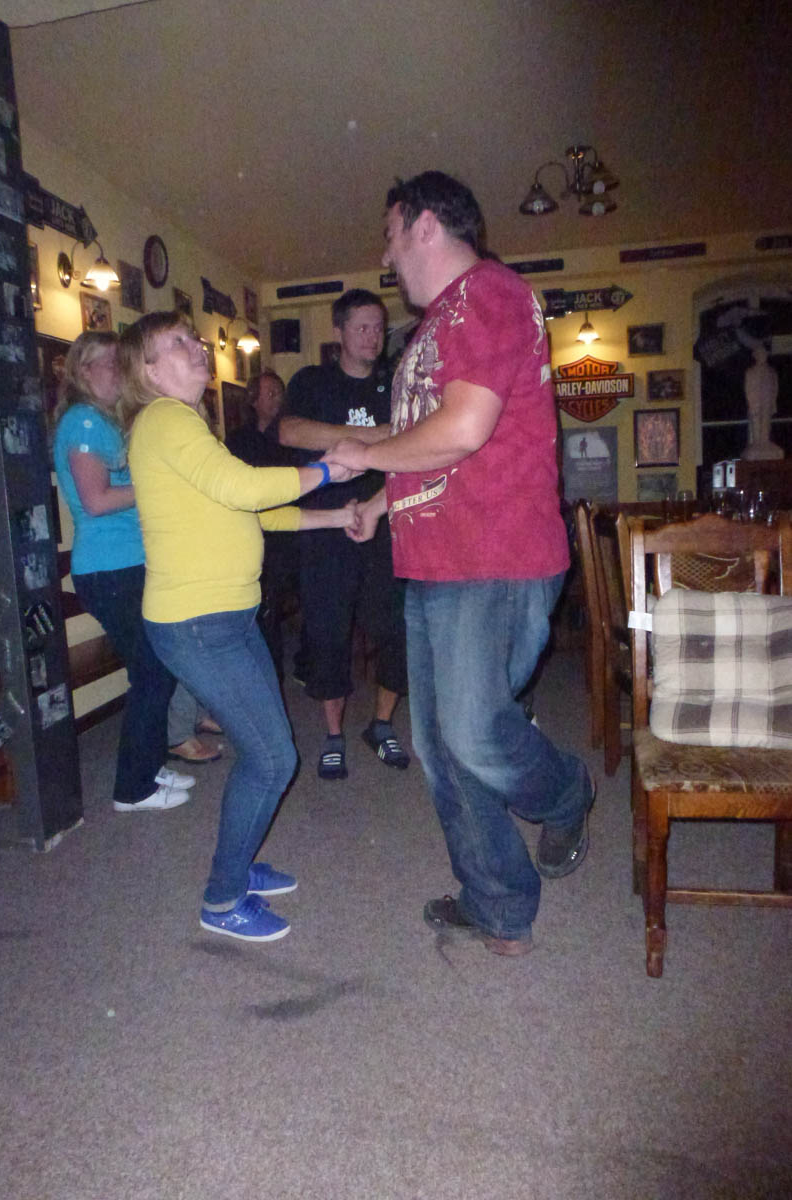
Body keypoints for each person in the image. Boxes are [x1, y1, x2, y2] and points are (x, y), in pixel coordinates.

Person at [327, 171, 594, 955]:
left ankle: (568, 792)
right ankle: (498, 904)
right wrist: (382, 501)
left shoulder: (490, 293)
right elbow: (426, 441)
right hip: (434, 559)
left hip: (494, 553)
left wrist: (365, 452)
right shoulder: (431, 328)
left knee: (475, 734)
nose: (385, 255)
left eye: (389, 234)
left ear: (424, 226)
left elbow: (465, 428)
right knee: (443, 749)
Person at [120, 312, 361, 943]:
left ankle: (239, 863)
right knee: (273, 757)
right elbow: (244, 488)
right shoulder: (164, 419)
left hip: (227, 616)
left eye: (193, 339)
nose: (196, 347)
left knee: (268, 750)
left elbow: (252, 513)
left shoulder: (186, 425)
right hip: (200, 624)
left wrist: (334, 517)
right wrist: (329, 470)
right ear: (148, 370)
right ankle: (223, 898)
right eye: (178, 343)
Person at [52, 331, 197, 811]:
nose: (120, 371)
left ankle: (147, 768)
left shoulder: (104, 422)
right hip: (109, 568)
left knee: (156, 669)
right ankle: (132, 789)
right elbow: (95, 501)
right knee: (153, 672)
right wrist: (156, 483)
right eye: (110, 363)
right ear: (83, 370)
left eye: (121, 363)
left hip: (126, 564)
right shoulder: (83, 421)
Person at [279, 288, 410, 781]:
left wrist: (341, 439)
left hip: (385, 522)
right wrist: (376, 437)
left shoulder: (397, 382)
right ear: (338, 332)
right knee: (327, 633)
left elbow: (418, 436)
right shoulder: (312, 380)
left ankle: (381, 724)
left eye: (378, 327)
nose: (372, 337)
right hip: (324, 526)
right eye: (361, 327)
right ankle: (333, 735)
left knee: (398, 628)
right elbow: (290, 432)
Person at [226, 370, 301, 681]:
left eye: (279, 393)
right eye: (270, 393)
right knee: (264, 605)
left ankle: (305, 661)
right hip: (254, 532)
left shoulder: (292, 437)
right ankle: (270, 675)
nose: (277, 399)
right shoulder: (238, 440)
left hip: (290, 529)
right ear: (254, 400)